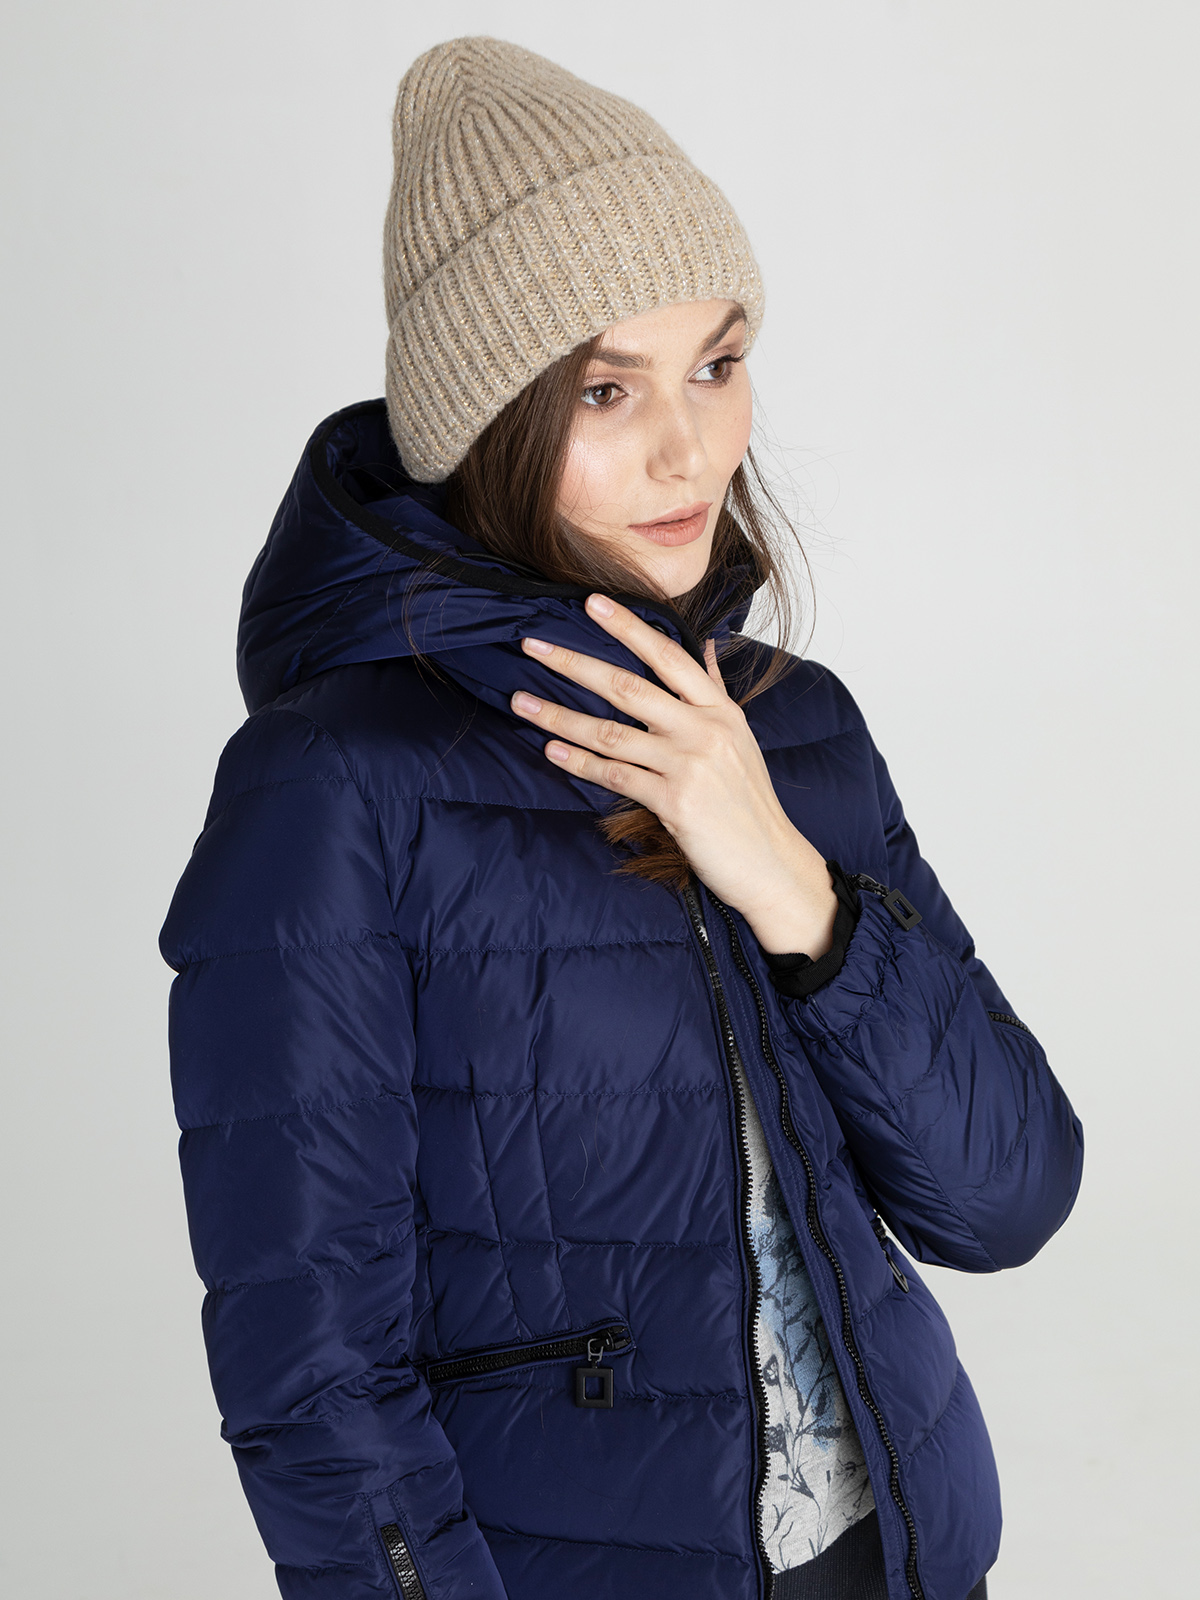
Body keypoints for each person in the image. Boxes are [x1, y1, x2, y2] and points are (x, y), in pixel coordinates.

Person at [160, 36, 1082, 1600]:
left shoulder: (792, 727)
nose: (689, 447)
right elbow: (314, 1374)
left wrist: (791, 885)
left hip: (907, 1550)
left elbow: (1007, 1198)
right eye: (605, 388)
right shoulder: (334, 785)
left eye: (716, 364)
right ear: (483, 420)